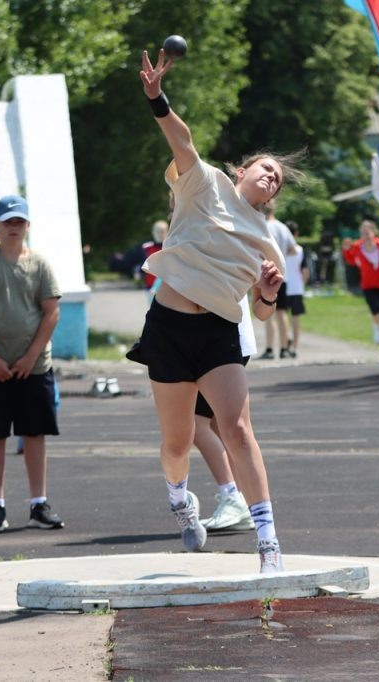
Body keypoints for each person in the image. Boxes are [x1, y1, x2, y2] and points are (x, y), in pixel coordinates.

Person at [131, 48, 304, 572]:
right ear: (242, 170)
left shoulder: (267, 241)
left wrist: (267, 294)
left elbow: (264, 313)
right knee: (177, 443)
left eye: (278, 179)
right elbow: (181, 140)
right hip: (168, 326)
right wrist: (158, 98)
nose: (271, 178)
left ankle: (268, 541)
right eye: (266, 168)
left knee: (237, 429)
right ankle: (180, 497)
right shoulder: (203, 182)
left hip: (218, 334)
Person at [0, 194, 65, 533]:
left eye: (19, 221)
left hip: (33, 366)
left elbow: (51, 313)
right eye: (8, 221)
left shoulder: (40, 264)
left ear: (27, 225)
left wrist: (31, 355)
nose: (14, 227)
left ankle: (39, 503)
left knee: (34, 433)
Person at [342, 220, 379, 359]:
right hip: (368, 286)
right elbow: (350, 259)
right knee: (375, 309)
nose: (365, 236)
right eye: (363, 233)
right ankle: (377, 327)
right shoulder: (357, 247)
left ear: (374, 233)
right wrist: (346, 249)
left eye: (367, 233)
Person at [258, 204, 298, 360]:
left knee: (269, 314)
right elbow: (294, 249)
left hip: (268, 276)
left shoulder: (263, 226)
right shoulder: (283, 227)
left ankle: (269, 348)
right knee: (282, 313)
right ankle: (284, 348)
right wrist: (282, 255)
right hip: (283, 276)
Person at [276, 221, 308, 358]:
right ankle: (295, 347)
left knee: (281, 316)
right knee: (295, 319)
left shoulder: (280, 250)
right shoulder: (300, 250)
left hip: (283, 285)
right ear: (296, 234)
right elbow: (305, 271)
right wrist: (303, 284)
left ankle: (285, 340)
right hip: (296, 288)